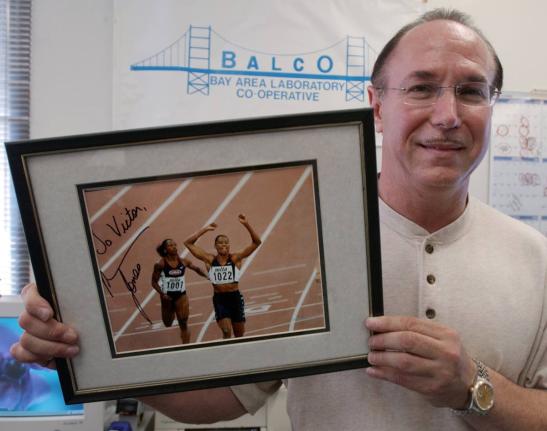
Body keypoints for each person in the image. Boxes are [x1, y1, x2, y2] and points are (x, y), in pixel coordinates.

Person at [8, 8, 547, 430]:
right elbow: (224, 398)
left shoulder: (536, 259)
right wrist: (83, 355)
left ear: (491, 106)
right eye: (422, 87)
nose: (448, 115)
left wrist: (471, 386)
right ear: (377, 105)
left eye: (472, 91)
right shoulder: (311, 238)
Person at [183, 214, 262, 339]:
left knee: (239, 335)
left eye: (226, 242)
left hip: (235, 298)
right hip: (220, 299)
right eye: (220, 243)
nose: (223, 245)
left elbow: (257, 242)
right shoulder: (209, 259)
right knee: (226, 331)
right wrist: (205, 229)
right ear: (215, 246)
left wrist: (246, 224)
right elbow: (188, 243)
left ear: (229, 245)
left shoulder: (236, 258)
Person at [151, 239, 208, 344]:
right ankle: (171, 310)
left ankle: (186, 347)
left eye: (174, 244)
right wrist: (162, 294)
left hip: (181, 295)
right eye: (170, 245)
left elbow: (197, 269)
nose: (174, 247)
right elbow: (154, 282)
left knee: (183, 322)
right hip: (167, 297)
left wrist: (207, 276)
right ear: (165, 249)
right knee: (168, 323)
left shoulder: (183, 261)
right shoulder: (160, 264)